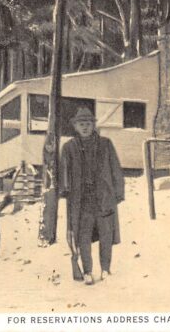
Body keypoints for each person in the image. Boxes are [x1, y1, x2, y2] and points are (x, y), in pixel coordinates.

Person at [59, 107, 125, 285]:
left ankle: (105, 269)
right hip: (81, 201)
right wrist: (65, 190)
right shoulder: (69, 147)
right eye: (81, 124)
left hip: (103, 197)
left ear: (93, 125)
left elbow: (116, 169)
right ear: (75, 127)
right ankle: (87, 271)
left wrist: (118, 192)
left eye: (88, 123)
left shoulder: (106, 144)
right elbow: (63, 171)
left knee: (106, 235)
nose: (85, 127)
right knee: (83, 236)